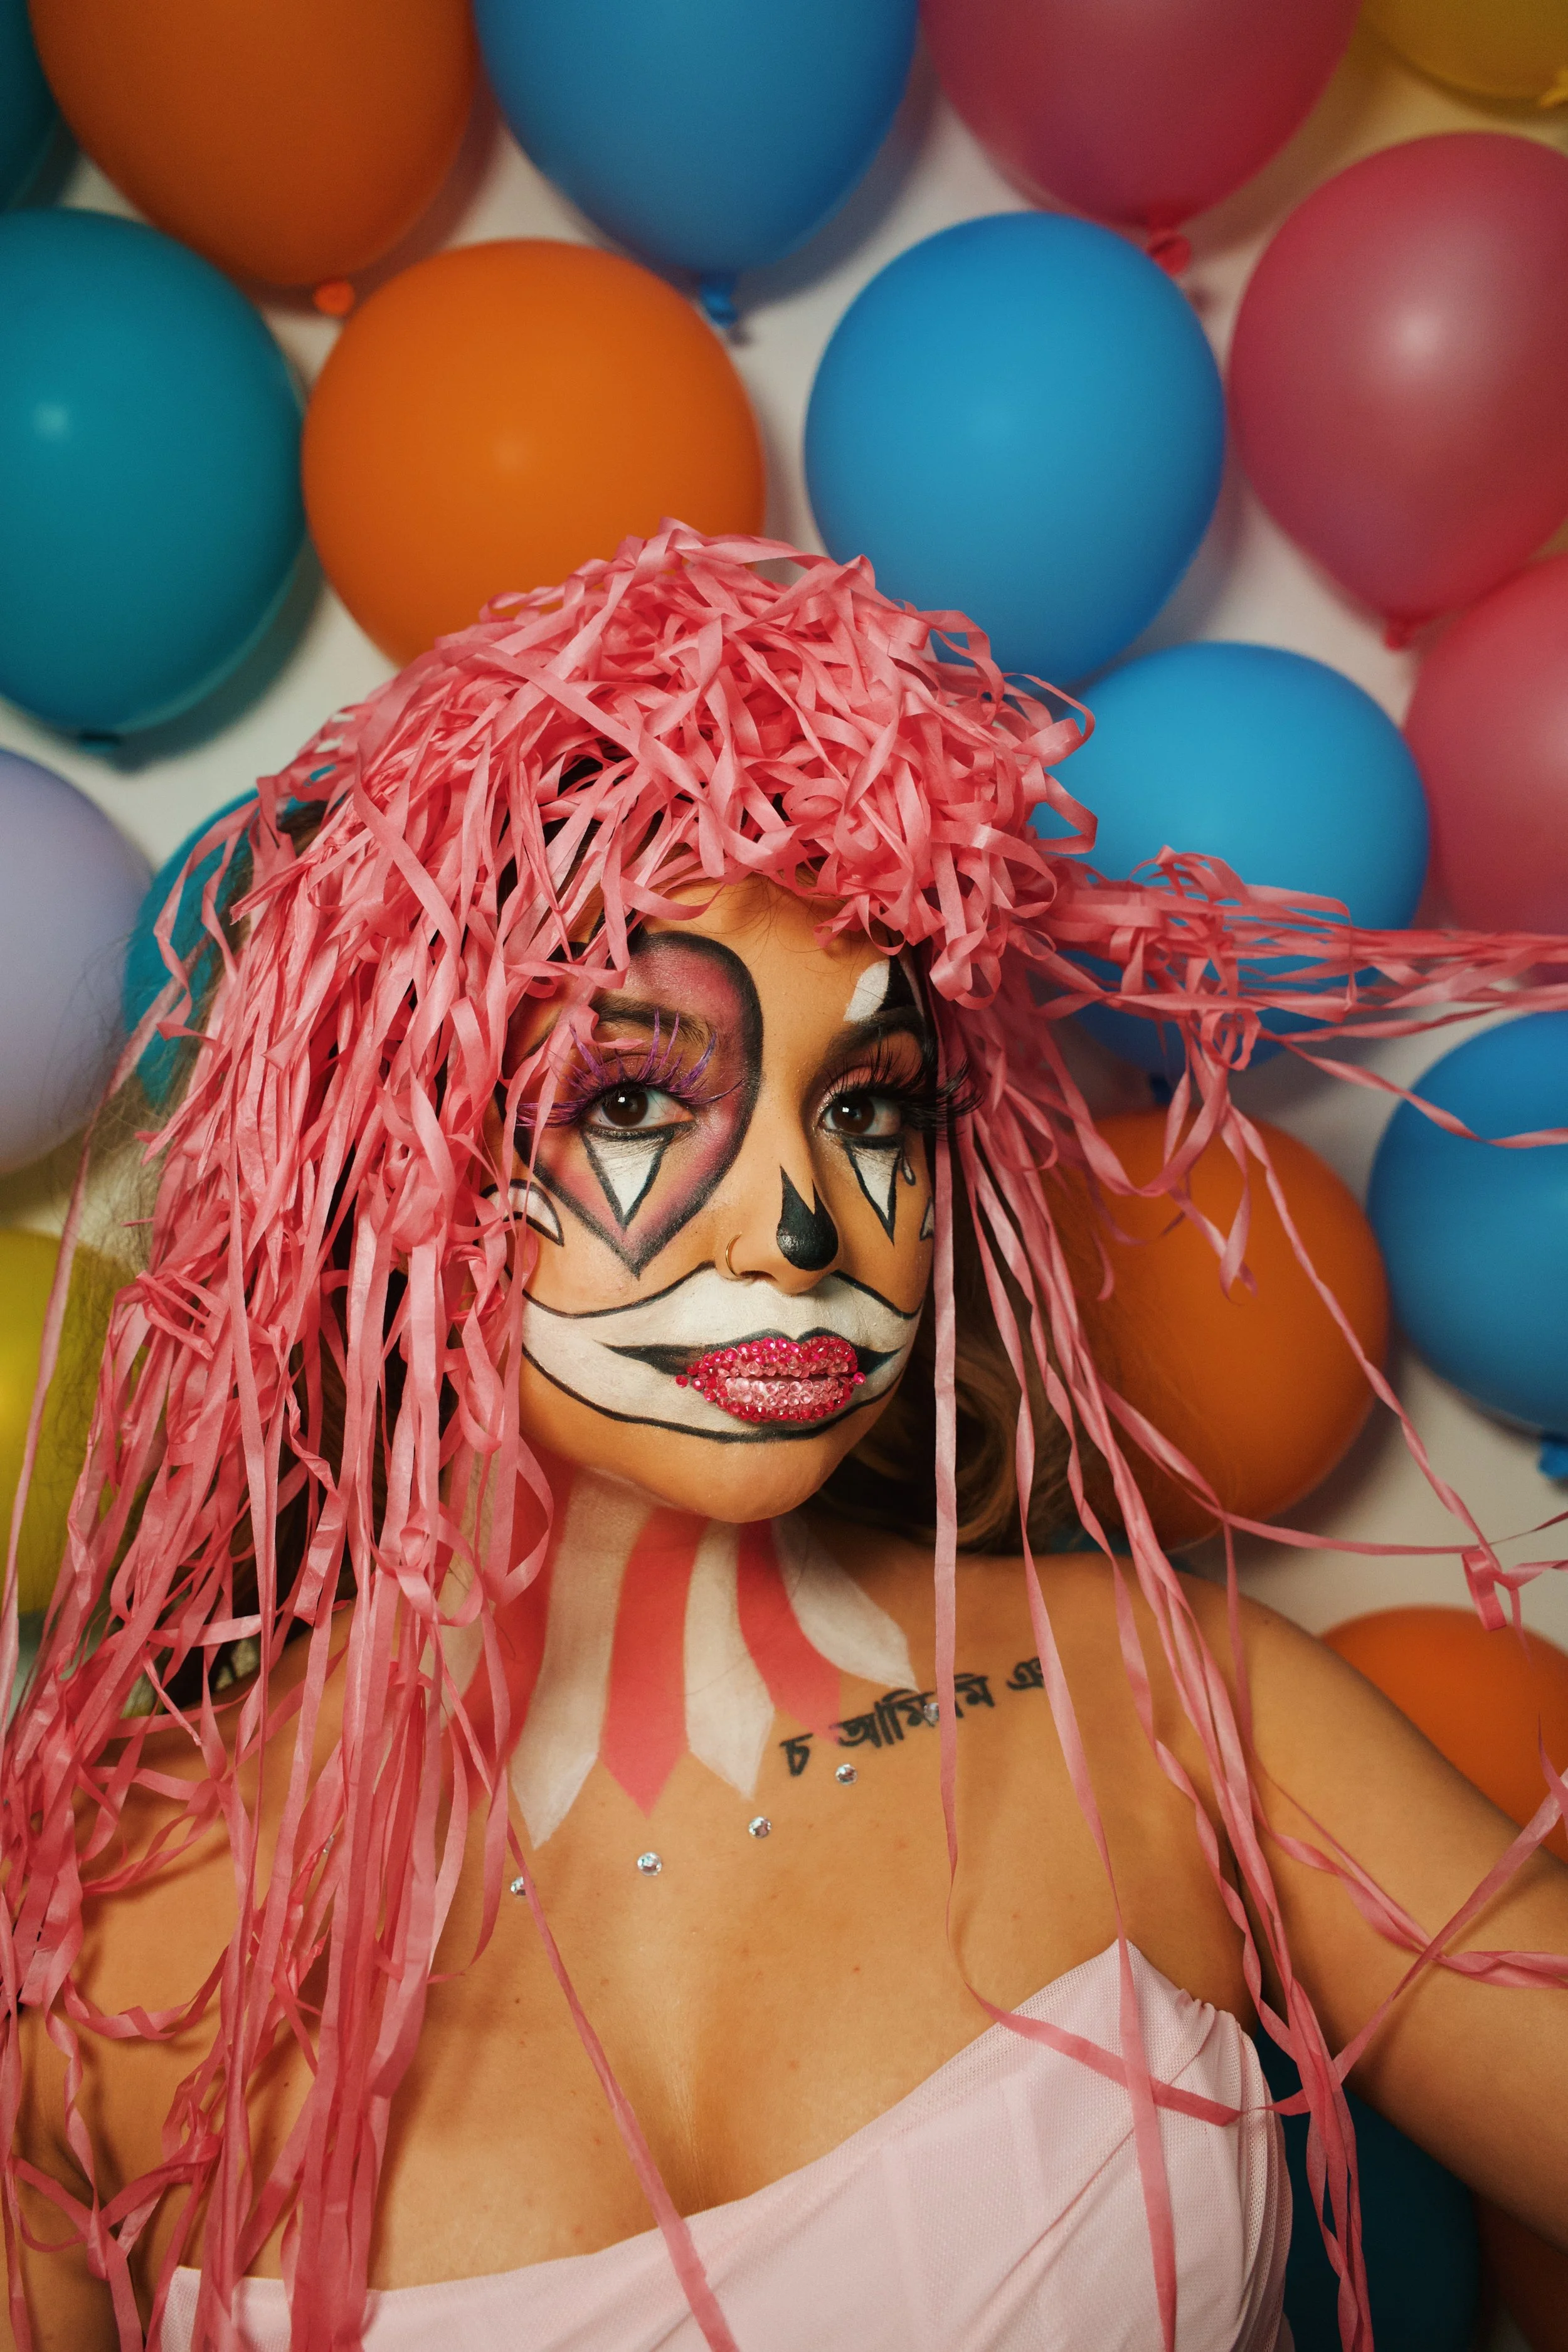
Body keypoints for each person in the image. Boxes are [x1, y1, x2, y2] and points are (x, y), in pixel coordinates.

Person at [3, 527, 1565, 2352]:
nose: (805, 1224)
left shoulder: (1171, 1708)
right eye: (636, 1096)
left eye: (869, 1106)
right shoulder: (99, 1945)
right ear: (398, 1156)